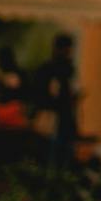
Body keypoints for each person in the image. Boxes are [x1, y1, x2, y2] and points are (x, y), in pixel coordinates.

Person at [30, 34, 80, 169]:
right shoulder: (54, 69)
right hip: (54, 118)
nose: (69, 53)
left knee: (56, 155)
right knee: (53, 156)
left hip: (61, 118)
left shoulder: (65, 69)